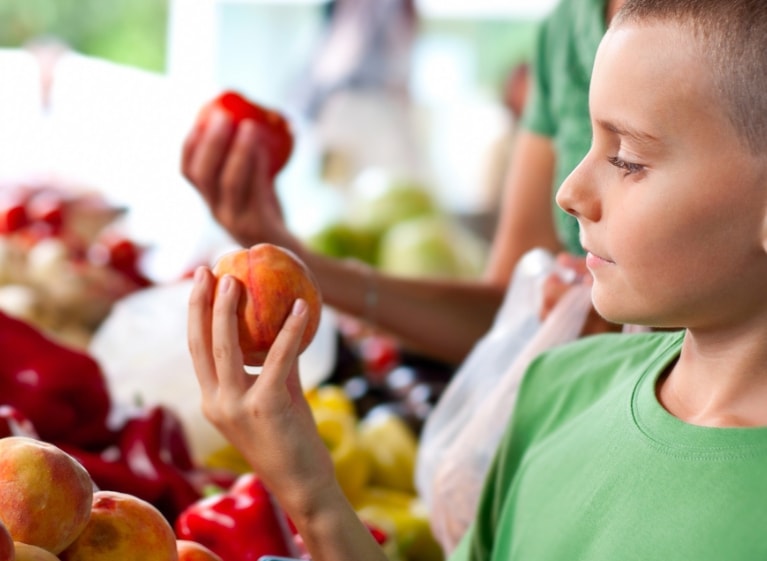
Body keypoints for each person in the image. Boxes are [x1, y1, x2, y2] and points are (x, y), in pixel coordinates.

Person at [186, 0, 767, 559]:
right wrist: (309, 491)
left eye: (628, 159)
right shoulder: (558, 387)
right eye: (589, 142)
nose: (568, 193)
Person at [181, 0, 627, 366]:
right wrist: (286, 253)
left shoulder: (689, 27)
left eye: (633, 159)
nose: (570, 196)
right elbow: (506, 316)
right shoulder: (564, 32)